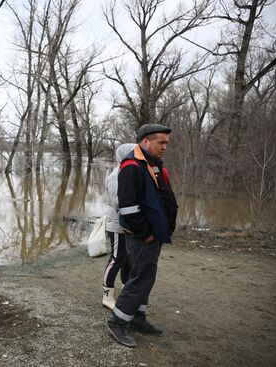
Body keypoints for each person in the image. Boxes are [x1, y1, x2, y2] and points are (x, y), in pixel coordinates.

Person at [106, 123, 178, 348]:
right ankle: (117, 322)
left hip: (155, 234)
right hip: (142, 237)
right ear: (145, 142)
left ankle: (138, 318)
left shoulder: (152, 164)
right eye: (161, 142)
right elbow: (127, 207)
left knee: (146, 276)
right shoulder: (131, 166)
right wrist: (145, 234)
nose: (165, 146)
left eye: (166, 142)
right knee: (140, 279)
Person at [102, 143, 136, 309]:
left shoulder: (129, 171)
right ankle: (107, 296)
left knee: (128, 260)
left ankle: (125, 290)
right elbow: (118, 202)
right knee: (117, 259)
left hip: (128, 224)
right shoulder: (117, 175)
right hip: (117, 223)